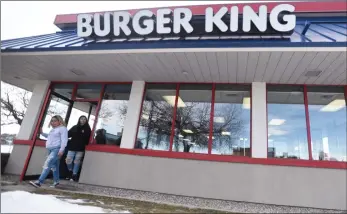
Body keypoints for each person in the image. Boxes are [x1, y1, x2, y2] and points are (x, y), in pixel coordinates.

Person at [30, 115, 68, 188]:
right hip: (50, 149)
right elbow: (50, 137)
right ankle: (56, 181)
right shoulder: (53, 129)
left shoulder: (63, 129)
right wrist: (42, 133)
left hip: (57, 149)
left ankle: (39, 182)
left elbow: (64, 140)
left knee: (47, 164)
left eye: (55, 121)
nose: (53, 122)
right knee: (55, 166)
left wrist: (61, 150)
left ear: (59, 121)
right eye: (52, 121)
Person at [65, 115, 91, 181]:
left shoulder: (87, 129)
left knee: (77, 161)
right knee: (68, 160)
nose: (83, 120)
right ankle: (70, 171)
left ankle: (74, 174)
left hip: (81, 148)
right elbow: (68, 134)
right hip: (72, 147)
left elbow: (88, 139)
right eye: (81, 119)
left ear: (86, 121)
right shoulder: (75, 127)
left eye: (84, 119)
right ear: (79, 120)